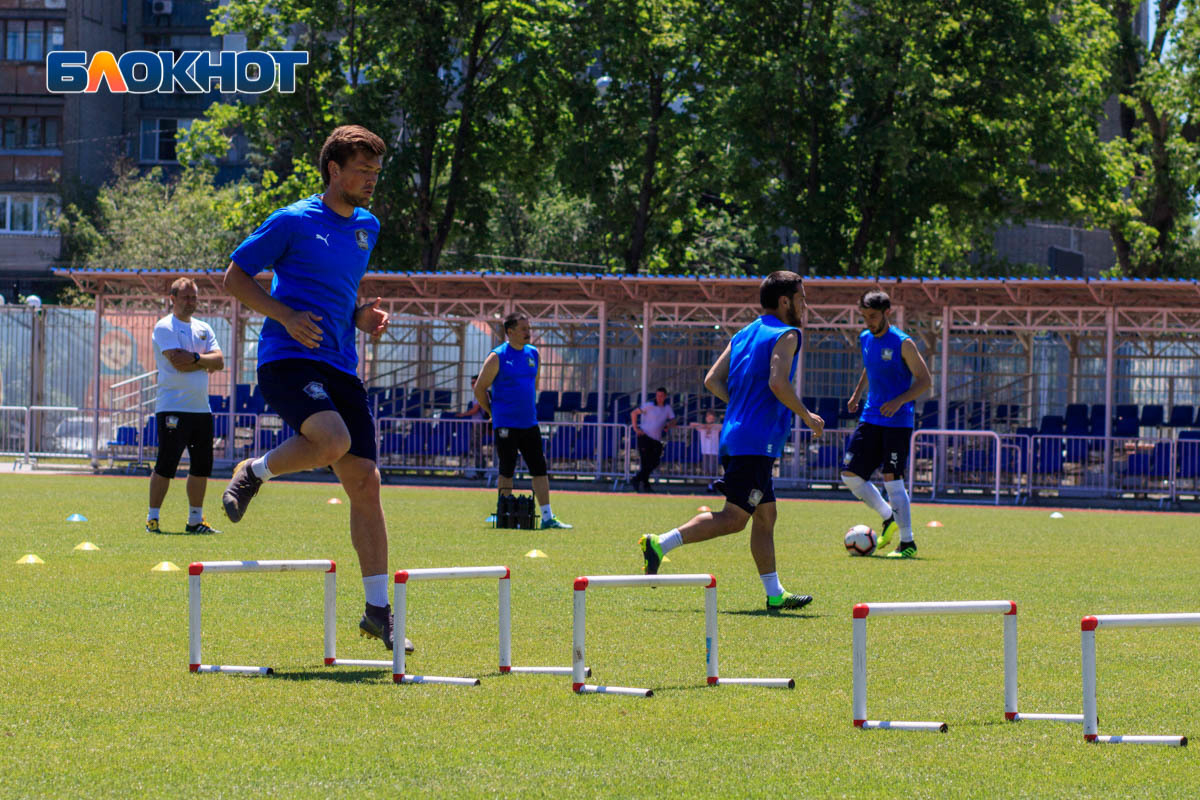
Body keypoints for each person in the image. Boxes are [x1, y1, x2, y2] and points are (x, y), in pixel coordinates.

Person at [219, 124, 412, 654]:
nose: (371, 180)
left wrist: (360, 315)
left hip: (341, 365)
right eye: (362, 171)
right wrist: (285, 315)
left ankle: (377, 612)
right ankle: (253, 471)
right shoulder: (292, 220)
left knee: (366, 481)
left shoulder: (368, 227)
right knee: (332, 440)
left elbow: (339, 295)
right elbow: (234, 278)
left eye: (376, 172)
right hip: (288, 358)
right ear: (333, 169)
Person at [638, 271, 824, 611]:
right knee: (735, 518)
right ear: (785, 301)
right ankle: (660, 543)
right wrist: (807, 415)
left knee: (766, 517)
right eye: (801, 299)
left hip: (737, 435)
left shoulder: (743, 333)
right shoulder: (787, 334)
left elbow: (712, 380)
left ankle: (775, 594)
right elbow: (778, 383)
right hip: (756, 442)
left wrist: (742, 407)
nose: (805, 305)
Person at [842, 289, 932, 558]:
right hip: (870, 416)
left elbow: (925, 380)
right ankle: (888, 516)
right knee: (849, 475)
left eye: (873, 316)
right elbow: (869, 367)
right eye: (864, 316)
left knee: (892, 479)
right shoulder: (865, 338)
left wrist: (899, 401)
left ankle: (907, 543)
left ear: (887, 313)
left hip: (897, 421)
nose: (868, 321)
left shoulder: (903, 343)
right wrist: (857, 394)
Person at [474, 313, 572, 529]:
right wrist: (492, 412)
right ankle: (503, 513)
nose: (529, 332)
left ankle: (547, 517)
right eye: (523, 329)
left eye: (529, 328)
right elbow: (479, 388)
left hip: (529, 422)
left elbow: (534, 384)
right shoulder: (497, 356)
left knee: (539, 468)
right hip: (506, 424)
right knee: (507, 468)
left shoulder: (533, 353)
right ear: (510, 332)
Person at [146, 277, 224, 534]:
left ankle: (195, 520)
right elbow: (177, 362)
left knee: (201, 466)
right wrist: (204, 361)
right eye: (186, 297)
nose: (191, 302)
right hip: (172, 407)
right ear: (173, 299)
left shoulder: (204, 328)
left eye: (194, 297)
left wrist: (195, 358)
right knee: (166, 465)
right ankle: (153, 519)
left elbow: (220, 361)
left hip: (201, 409)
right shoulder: (165, 326)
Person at [630, 387, 676, 492]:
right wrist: (635, 428)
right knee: (645, 463)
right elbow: (634, 413)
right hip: (645, 437)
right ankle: (645, 486)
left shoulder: (667, 408)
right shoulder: (649, 405)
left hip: (656, 440)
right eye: (657, 395)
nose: (659, 398)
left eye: (661, 396)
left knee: (655, 462)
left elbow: (673, 420)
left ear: (665, 397)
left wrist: (668, 424)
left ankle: (636, 479)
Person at [452, 375, 488, 477]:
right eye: (471, 383)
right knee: (475, 446)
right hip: (477, 423)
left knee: (476, 446)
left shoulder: (480, 393)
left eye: (474, 382)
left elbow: (475, 409)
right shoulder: (479, 393)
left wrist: (463, 414)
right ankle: (480, 469)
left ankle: (480, 469)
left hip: (478, 423)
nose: (472, 385)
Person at [690, 410, 722, 491]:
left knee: (713, 469)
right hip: (705, 451)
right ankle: (710, 484)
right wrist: (704, 426)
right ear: (706, 418)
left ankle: (713, 485)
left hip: (714, 451)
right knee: (706, 469)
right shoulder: (702, 427)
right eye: (709, 418)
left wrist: (710, 426)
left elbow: (722, 426)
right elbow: (691, 424)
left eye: (712, 418)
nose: (710, 419)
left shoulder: (716, 427)